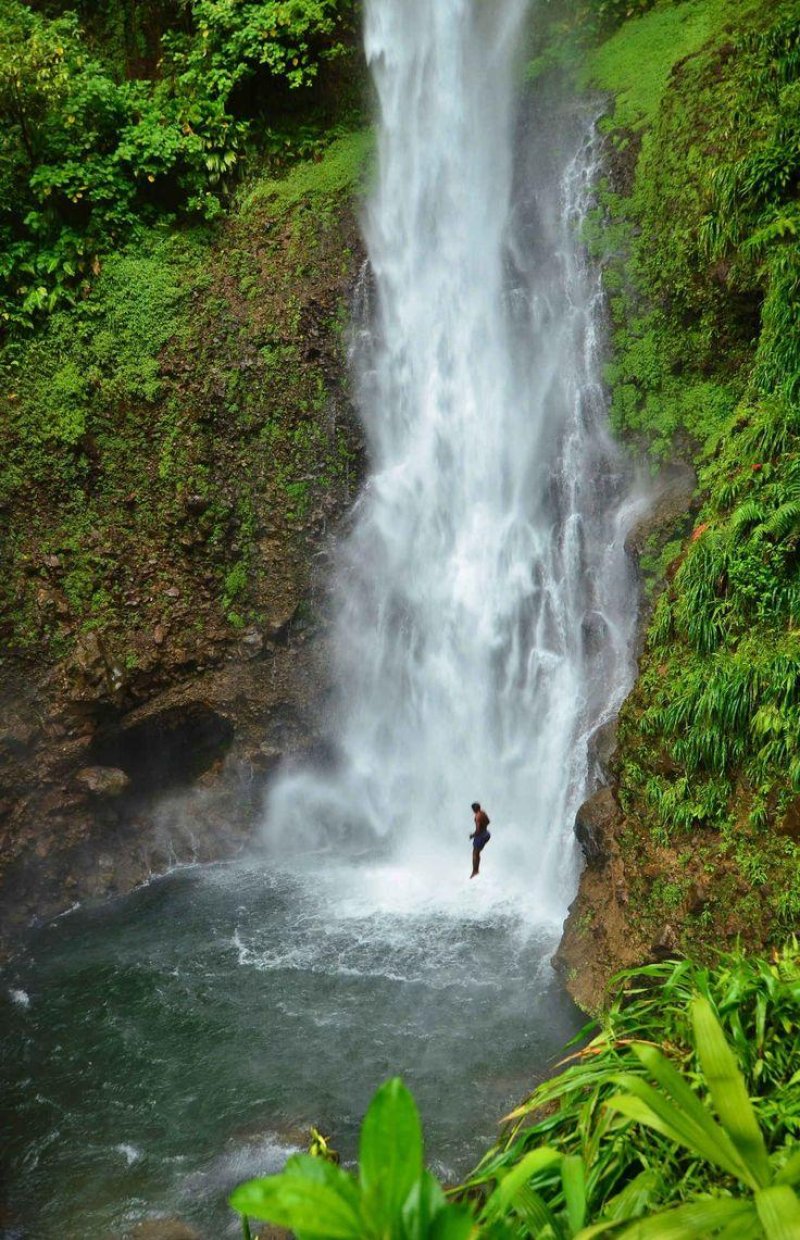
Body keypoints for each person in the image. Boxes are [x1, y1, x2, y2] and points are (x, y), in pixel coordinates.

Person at [469, 801, 491, 878]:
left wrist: (473, 835)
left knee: (475, 853)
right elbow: (488, 821)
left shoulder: (477, 816)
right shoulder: (483, 813)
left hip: (481, 835)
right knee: (477, 852)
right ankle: (476, 870)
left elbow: (478, 829)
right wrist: (483, 826)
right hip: (486, 833)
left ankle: (475, 871)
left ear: (474, 809)